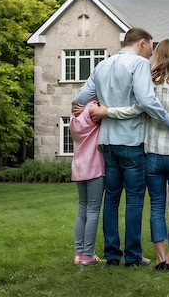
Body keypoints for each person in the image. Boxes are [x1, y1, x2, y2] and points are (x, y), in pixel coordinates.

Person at [71, 27, 169, 267]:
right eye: (151, 47)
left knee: (112, 199)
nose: (151, 54)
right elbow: (147, 101)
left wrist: (98, 108)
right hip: (131, 142)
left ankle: (113, 255)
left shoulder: (102, 66)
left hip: (106, 143)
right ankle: (133, 256)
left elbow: (79, 100)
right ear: (143, 43)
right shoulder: (138, 64)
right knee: (135, 200)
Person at [96, 38, 169, 271]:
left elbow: (138, 110)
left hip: (153, 155)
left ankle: (160, 257)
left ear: (158, 57)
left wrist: (108, 111)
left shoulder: (149, 85)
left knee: (156, 206)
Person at [69, 100, 104, 265]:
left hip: (79, 168)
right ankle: (88, 255)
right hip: (95, 168)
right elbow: (109, 111)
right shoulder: (93, 111)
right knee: (93, 211)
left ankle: (79, 254)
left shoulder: (73, 118)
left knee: (82, 209)